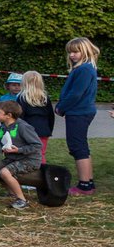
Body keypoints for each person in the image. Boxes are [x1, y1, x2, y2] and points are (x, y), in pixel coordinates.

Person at [56, 37, 100, 196]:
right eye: (70, 52)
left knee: (77, 147)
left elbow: (76, 94)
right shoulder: (85, 68)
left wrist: (61, 107)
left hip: (79, 112)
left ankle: (84, 185)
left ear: (85, 51)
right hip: (80, 111)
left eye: (75, 52)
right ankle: (88, 182)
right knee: (81, 146)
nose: (72, 55)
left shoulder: (84, 69)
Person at [0, 100, 43, 210]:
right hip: (13, 158)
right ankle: (12, 193)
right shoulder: (1, 129)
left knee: (5, 172)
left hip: (29, 159)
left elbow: (37, 145)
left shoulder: (23, 127)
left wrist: (19, 150)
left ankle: (22, 200)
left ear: (8, 115)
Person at [16, 70, 55, 161]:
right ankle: (41, 168)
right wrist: (49, 129)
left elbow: (19, 116)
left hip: (28, 131)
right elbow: (51, 116)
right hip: (43, 130)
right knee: (41, 153)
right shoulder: (45, 98)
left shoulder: (22, 98)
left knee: (27, 153)